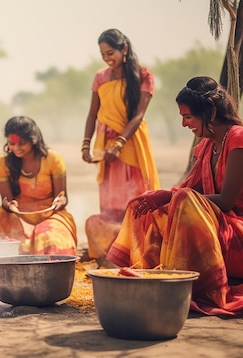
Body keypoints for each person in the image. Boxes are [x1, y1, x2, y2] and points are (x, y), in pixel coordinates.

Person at [107, 76, 243, 315]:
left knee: (181, 200)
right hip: (224, 233)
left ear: (209, 112)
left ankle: (180, 282)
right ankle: (158, 276)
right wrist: (162, 197)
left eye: (187, 117)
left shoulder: (239, 138)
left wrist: (171, 197)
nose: (184, 124)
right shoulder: (208, 146)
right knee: (147, 202)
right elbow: (187, 193)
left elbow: (226, 200)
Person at [80, 28, 160, 260]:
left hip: (132, 144)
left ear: (124, 49)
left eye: (111, 52)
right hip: (106, 149)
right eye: (103, 54)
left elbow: (138, 115)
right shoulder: (100, 77)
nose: (107, 58)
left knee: (136, 201)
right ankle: (113, 255)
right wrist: (86, 144)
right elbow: (92, 114)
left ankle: (141, 253)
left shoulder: (143, 75)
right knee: (111, 205)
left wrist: (119, 143)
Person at [0, 116, 77, 255]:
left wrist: (60, 201)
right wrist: (9, 204)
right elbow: (6, 202)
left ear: (33, 140)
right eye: (11, 144)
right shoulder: (2, 164)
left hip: (51, 217)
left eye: (22, 143)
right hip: (18, 220)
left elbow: (63, 198)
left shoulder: (53, 159)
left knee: (46, 237)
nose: (16, 148)